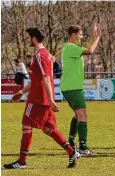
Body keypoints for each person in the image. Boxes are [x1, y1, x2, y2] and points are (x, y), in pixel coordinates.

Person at [3, 27, 80, 169]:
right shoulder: (48, 55)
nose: (28, 40)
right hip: (41, 97)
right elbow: (37, 79)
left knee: (26, 126)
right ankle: (71, 151)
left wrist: (51, 100)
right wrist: (22, 91)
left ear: (33, 38)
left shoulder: (40, 55)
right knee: (48, 128)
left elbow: (45, 78)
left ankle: (21, 161)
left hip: (38, 99)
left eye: (28, 38)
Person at [60, 24, 101, 155]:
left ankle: (71, 141)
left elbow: (87, 47)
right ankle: (83, 147)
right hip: (73, 87)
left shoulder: (71, 47)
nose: (82, 37)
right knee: (83, 115)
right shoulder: (71, 47)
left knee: (77, 115)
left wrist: (94, 34)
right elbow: (90, 51)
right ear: (73, 34)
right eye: (80, 34)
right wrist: (98, 37)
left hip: (70, 86)